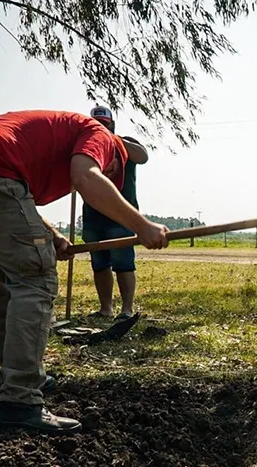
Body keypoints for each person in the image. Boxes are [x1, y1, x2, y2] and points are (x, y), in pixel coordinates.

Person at [0, 110, 170, 434]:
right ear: (114, 162)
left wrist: (51, 236)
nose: (106, 173)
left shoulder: (56, 131)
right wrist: (141, 225)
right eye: (111, 174)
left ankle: (15, 376)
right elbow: (86, 176)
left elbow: (15, 191)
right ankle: (21, 400)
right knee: (36, 279)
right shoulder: (101, 137)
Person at [82, 106, 149, 321]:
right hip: (93, 216)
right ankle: (105, 309)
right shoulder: (87, 147)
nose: (102, 127)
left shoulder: (124, 144)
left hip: (122, 215)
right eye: (97, 123)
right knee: (99, 264)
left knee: (123, 262)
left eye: (106, 123)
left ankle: (126, 310)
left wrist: (115, 140)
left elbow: (143, 157)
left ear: (112, 124)